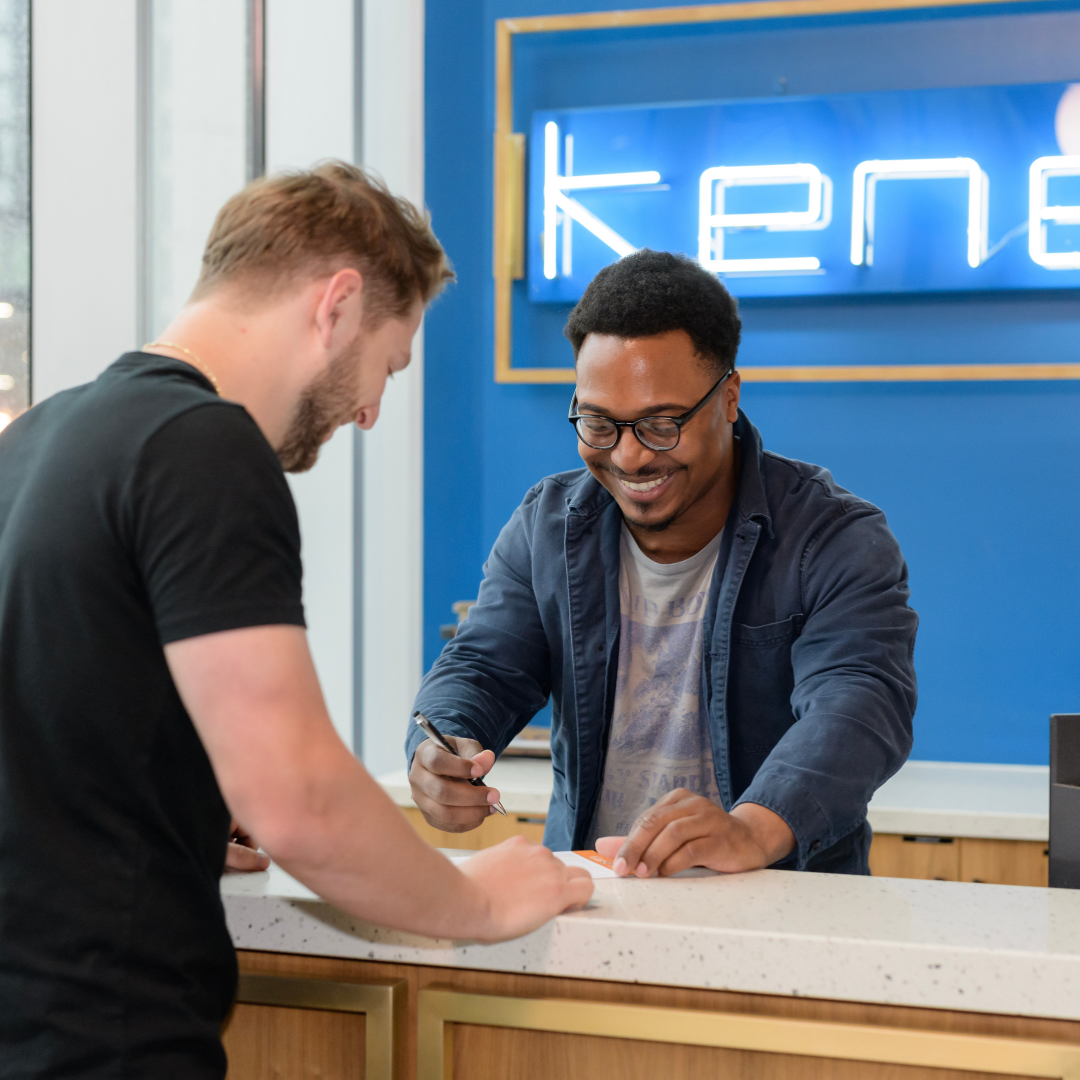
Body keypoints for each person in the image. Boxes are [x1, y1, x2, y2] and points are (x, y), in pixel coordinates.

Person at [0, 163, 592, 1080]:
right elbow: (301, 799)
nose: (367, 411)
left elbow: (59, 731)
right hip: (105, 1038)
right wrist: (476, 900)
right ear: (338, 305)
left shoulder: (41, 438)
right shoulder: (203, 448)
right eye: (386, 366)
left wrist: (188, 805)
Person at [407, 249, 918, 880]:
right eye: (599, 423)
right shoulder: (548, 525)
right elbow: (483, 664)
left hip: (783, 909)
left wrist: (752, 829)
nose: (629, 458)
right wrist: (438, 747)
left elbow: (860, 701)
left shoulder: (832, 537)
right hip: (596, 904)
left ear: (728, 398)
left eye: (660, 424)